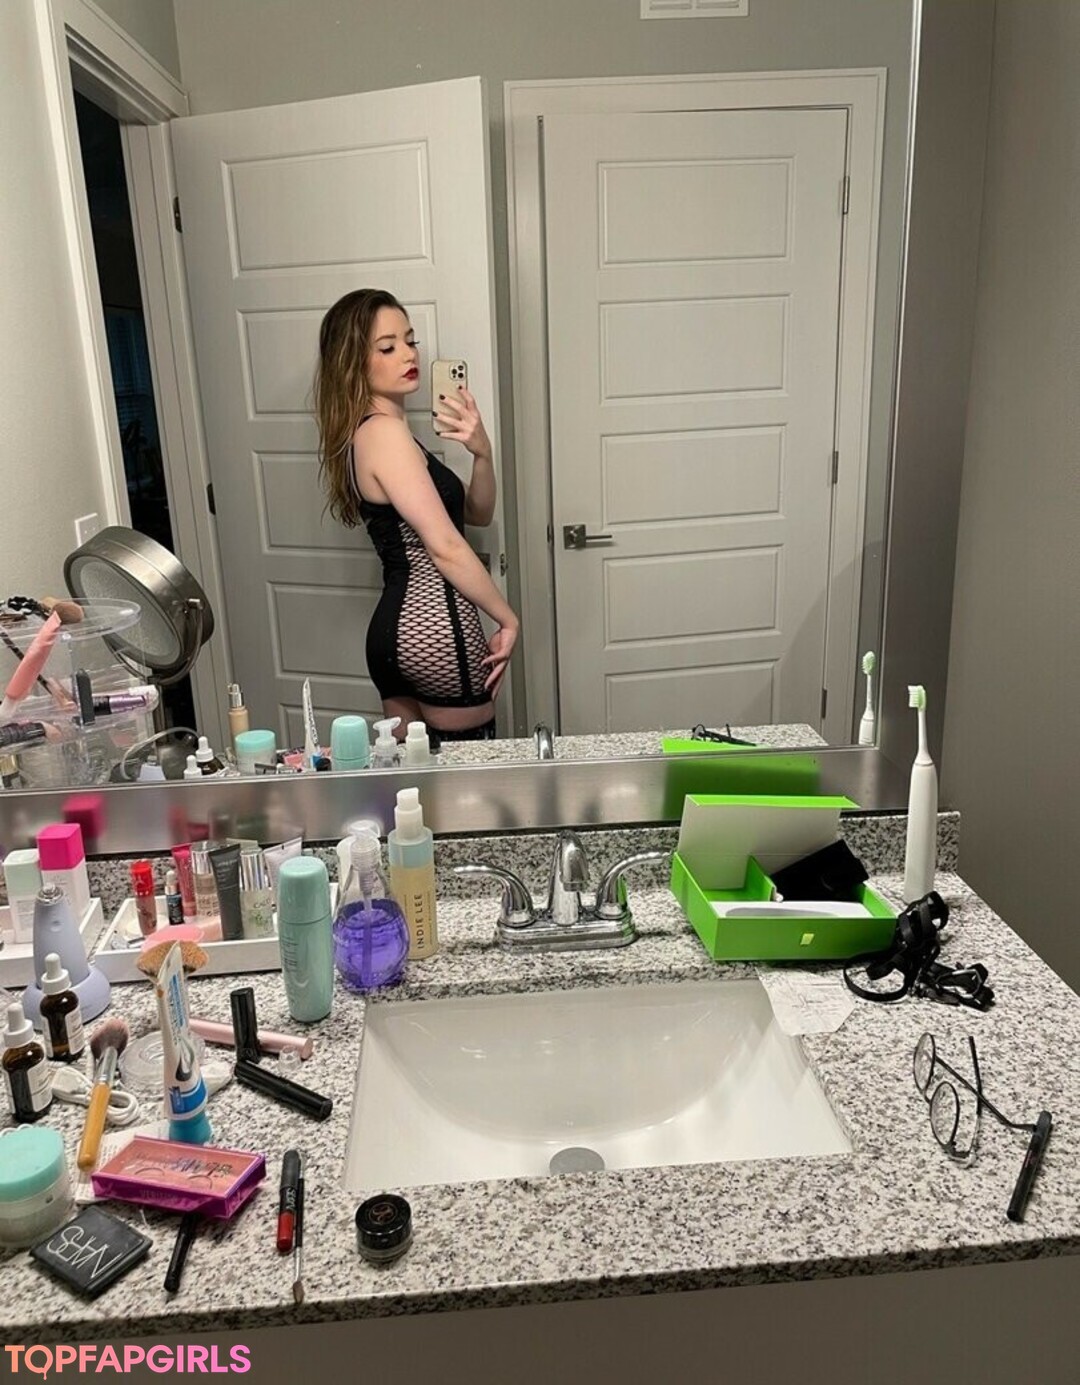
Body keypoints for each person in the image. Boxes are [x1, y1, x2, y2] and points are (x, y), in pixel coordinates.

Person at [314, 289, 518, 740]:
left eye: (410, 341)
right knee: (470, 774)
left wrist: (482, 453)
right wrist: (508, 618)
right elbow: (445, 547)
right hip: (435, 631)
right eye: (387, 347)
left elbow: (478, 513)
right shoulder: (386, 434)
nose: (408, 354)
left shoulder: (377, 435)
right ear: (352, 362)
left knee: (414, 774)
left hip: (395, 635)